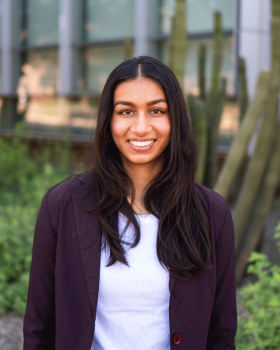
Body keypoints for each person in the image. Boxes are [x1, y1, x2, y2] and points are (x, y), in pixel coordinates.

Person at [23, 56, 237, 350]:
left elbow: (222, 333)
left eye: (156, 110)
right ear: (108, 120)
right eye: (126, 111)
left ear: (175, 119)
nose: (140, 127)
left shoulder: (211, 212)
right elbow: (39, 325)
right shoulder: (63, 204)